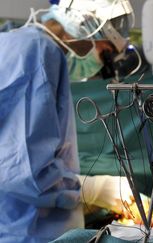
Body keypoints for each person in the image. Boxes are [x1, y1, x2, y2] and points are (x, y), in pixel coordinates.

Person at [0, 0, 135, 242]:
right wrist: (88, 190)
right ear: (87, 27)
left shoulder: (18, 42)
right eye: (105, 52)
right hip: (27, 230)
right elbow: (27, 171)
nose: (101, 62)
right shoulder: (39, 53)